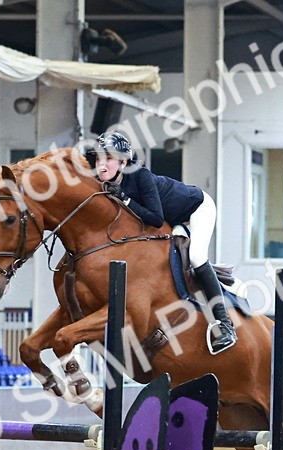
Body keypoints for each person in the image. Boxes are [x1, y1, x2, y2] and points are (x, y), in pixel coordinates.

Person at [89, 131, 236, 355]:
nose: (101, 165)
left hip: (196, 209)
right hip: (172, 220)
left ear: (123, 162)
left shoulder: (140, 176)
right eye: (99, 159)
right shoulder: (106, 185)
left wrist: (125, 198)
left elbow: (155, 219)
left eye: (108, 159)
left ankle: (225, 325)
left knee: (196, 256)